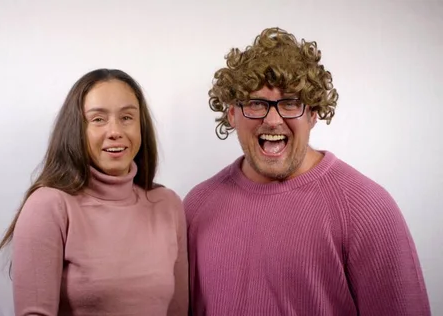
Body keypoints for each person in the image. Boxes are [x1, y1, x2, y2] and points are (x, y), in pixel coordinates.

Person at [184, 27, 431, 315]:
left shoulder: (367, 208)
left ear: (313, 113)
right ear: (231, 114)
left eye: (290, 103)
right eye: (255, 104)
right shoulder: (197, 206)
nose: (273, 120)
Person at [0, 68, 188, 316]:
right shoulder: (49, 205)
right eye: (98, 119)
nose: (115, 130)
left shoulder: (167, 205)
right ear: (76, 129)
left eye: (127, 117)